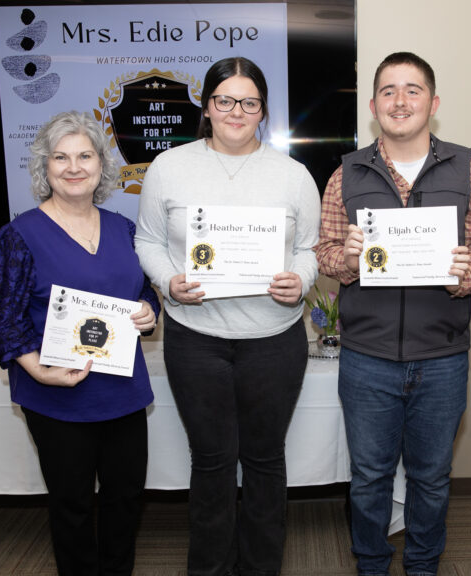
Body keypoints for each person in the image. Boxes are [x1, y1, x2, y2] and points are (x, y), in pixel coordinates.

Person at [315, 51, 471, 576]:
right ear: (374, 106)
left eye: (413, 90)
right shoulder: (345, 175)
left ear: (434, 103)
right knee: (369, 477)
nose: (401, 101)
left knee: (432, 477)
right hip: (367, 357)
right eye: (389, 91)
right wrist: (348, 258)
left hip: (442, 357)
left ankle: (423, 566)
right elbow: (325, 253)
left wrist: (461, 277)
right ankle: (371, 565)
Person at [134, 57, 321, 576]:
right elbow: (147, 240)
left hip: (273, 339)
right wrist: (167, 280)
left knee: (264, 461)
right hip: (196, 340)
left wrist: (300, 279)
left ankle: (262, 568)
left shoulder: (293, 175)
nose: (237, 111)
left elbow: (310, 247)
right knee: (212, 463)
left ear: (263, 110)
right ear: (207, 105)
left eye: (250, 102)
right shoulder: (170, 166)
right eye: (225, 100)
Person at [0, 111, 160, 576]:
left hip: (122, 393)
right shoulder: (17, 237)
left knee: (125, 503)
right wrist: (37, 368)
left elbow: (143, 292)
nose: (73, 166)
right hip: (57, 397)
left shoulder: (124, 229)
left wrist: (149, 312)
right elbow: (2, 320)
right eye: (60, 157)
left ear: (102, 164)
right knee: (73, 507)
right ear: (45, 167)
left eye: (85, 155)